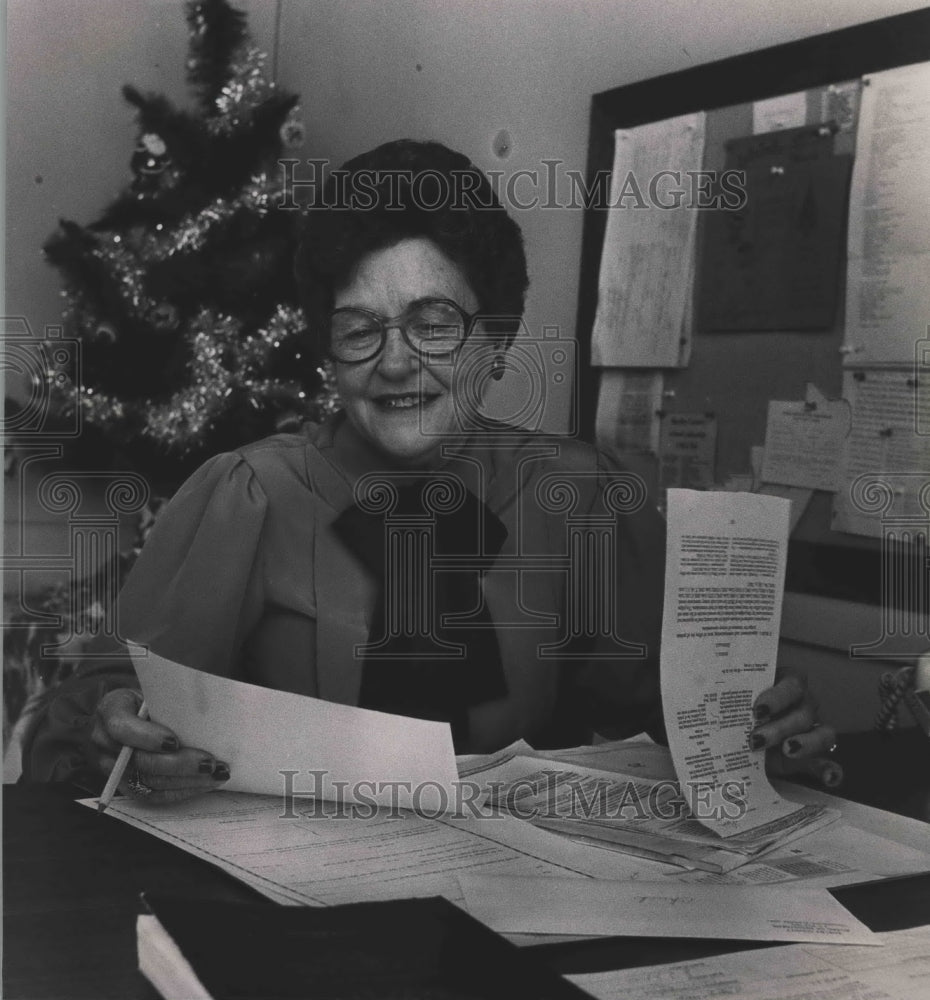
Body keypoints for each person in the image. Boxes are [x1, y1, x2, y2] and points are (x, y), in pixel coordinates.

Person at [22, 139, 837, 804]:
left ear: (499, 338)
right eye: (359, 329)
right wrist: (110, 724)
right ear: (327, 353)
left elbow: (674, 724)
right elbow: (87, 712)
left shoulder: (580, 497)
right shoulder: (246, 496)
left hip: (520, 910)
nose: (396, 363)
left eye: (434, 322)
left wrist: (757, 729)